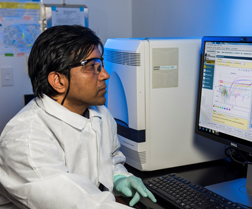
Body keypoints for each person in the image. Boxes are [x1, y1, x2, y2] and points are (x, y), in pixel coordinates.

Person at [0, 25, 156, 209]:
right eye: (92, 67)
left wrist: (119, 176)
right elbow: (77, 204)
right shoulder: (25, 139)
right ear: (58, 80)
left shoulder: (100, 113)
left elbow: (111, 157)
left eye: (101, 65)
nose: (105, 75)